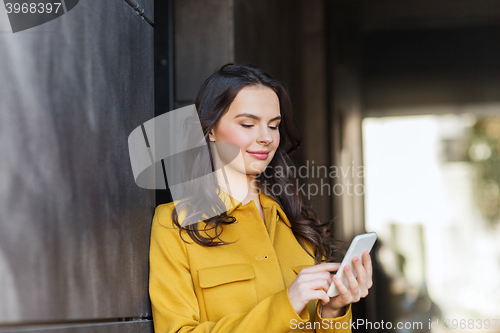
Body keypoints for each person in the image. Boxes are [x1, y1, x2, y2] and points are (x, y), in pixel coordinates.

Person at [149, 63, 373, 333]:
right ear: (209, 129)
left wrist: (333, 309)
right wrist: (286, 304)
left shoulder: (299, 224)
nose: (266, 137)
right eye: (248, 124)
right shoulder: (176, 223)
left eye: (274, 126)